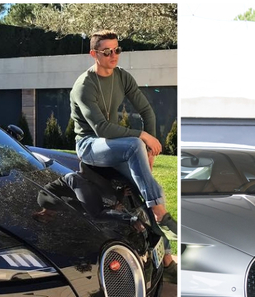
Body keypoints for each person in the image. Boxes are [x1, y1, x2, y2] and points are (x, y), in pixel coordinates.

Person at [69, 30, 177, 282]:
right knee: (135, 149)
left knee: (148, 189)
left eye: (117, 50)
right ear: (94, 54)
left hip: (117, 145)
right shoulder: (84, 86)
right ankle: (160, 212)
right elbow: (101, 129)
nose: (114, 55)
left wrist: (148, 148)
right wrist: (143, 138)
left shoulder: (122, 77)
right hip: (89, 145)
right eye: (107, 51)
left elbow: (147, 110)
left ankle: (167, 258)